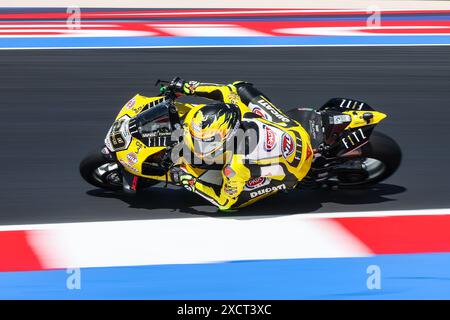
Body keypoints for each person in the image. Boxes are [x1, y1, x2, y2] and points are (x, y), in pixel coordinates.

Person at [167, 77, 313, 211]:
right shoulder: (239, 111)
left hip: (295, 169)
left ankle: (279, 184)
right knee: (239, 86)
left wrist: (193, 184)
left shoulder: (236, 166)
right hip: (292, 130)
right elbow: (225, 90)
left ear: (226, 138)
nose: (200, 145)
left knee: (232, 204)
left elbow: (225, 202)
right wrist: (187, 87)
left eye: (207, 141)